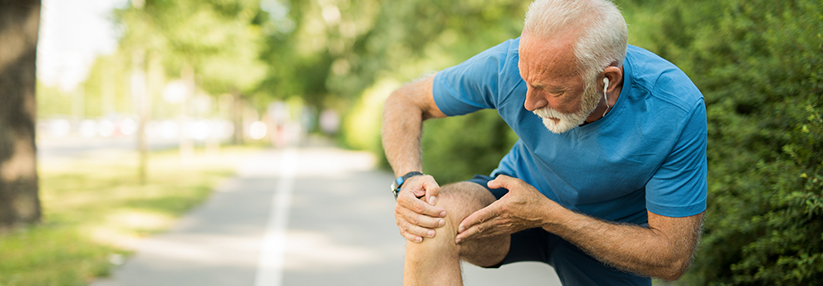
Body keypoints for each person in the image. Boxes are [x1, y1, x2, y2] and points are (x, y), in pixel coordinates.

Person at [381, 0, 707, 285]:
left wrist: (548, 215)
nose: (530, 103)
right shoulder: (511, 64)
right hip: (512, 203)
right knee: (431, 218)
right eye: (525, 80)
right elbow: (405, 101)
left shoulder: (674, 109)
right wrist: (408, 179)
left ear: (608, 80)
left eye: (553, 91)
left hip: (608, 237)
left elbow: (671, 258)